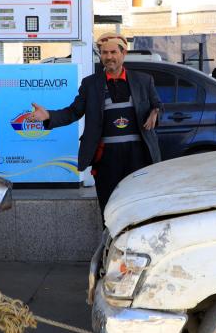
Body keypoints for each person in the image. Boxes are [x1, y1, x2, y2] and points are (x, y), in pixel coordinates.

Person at [28, 33, 161, 212]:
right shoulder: (90, 84)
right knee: (109, 207)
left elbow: (157, 105)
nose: (108, 57)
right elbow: (73, 112)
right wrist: (49, 116)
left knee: (140, 205)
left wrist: (155, 112)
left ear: (123, 54)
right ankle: (109, 239)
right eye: (104, 53)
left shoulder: (143, 81)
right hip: (107, 157)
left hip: (138, 155)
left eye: (113, 52)